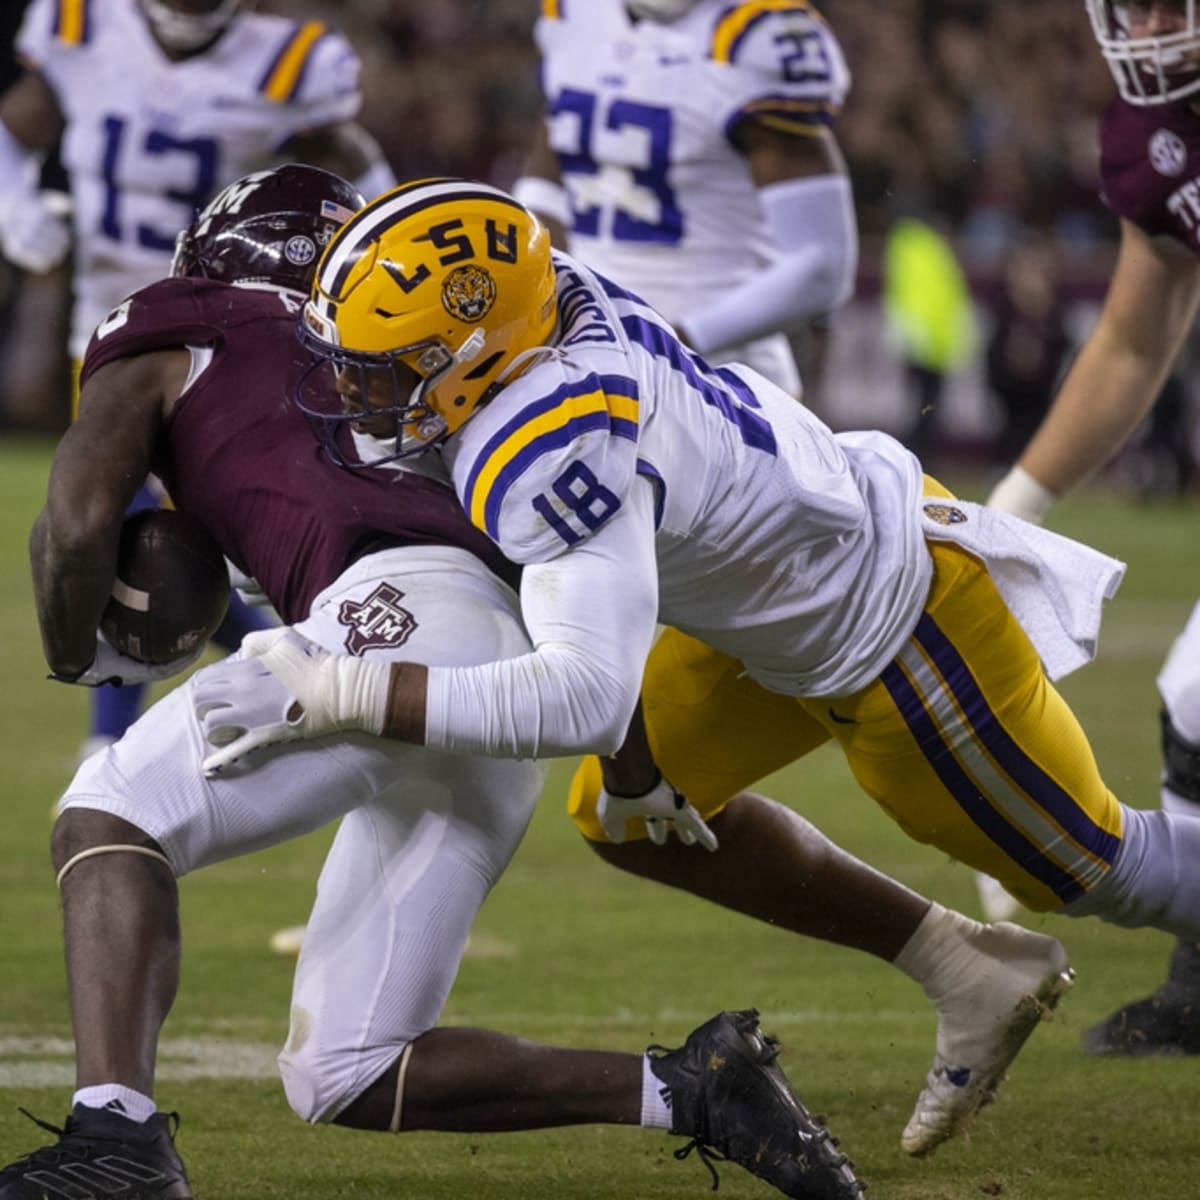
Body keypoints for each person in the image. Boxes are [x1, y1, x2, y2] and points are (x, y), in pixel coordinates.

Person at [199, 177, 1200, 1150]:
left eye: (382, 366)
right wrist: (638, 766)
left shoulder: (547, 436)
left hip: (892, 630)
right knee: (626, 813)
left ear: (471, 351)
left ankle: (1017, 947)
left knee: (1116, 871)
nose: (347, 389)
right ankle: (966, 968)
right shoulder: (543, 310)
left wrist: (337, 694)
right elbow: (599, 619)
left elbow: (583, 695)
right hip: (761, 615)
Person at [10, 165, 863, 1200]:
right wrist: (631, 767)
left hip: (393, 622)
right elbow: (574, 615)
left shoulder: (178, 319)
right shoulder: (410, 365)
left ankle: (117, 1144)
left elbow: (77, 524)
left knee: (108, 815)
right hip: (496, 679)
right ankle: (696, 1090)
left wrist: (72, 649)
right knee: (347, 1067)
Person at [0, 0, 398, 761]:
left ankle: (291, 677)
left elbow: (356, 167)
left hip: (230, 334)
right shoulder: (82, 26)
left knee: (175, 527)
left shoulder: (285, 59)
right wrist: (13, 205)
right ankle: (305, 669)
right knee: (146, 526)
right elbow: (17, 128)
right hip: (112, 330)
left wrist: (384, 248)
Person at [987, 0, 1200, 1057]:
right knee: (1197, 694)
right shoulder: (1155, 132)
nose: (1153, 27)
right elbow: (1134, 331)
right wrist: (1013, 508)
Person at [513, 0, 858, 397]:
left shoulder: (751, 37)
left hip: (722, 379)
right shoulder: (577, 13)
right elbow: (550, 176)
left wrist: (669, 341)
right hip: (587, 355)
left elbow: (820, 265)